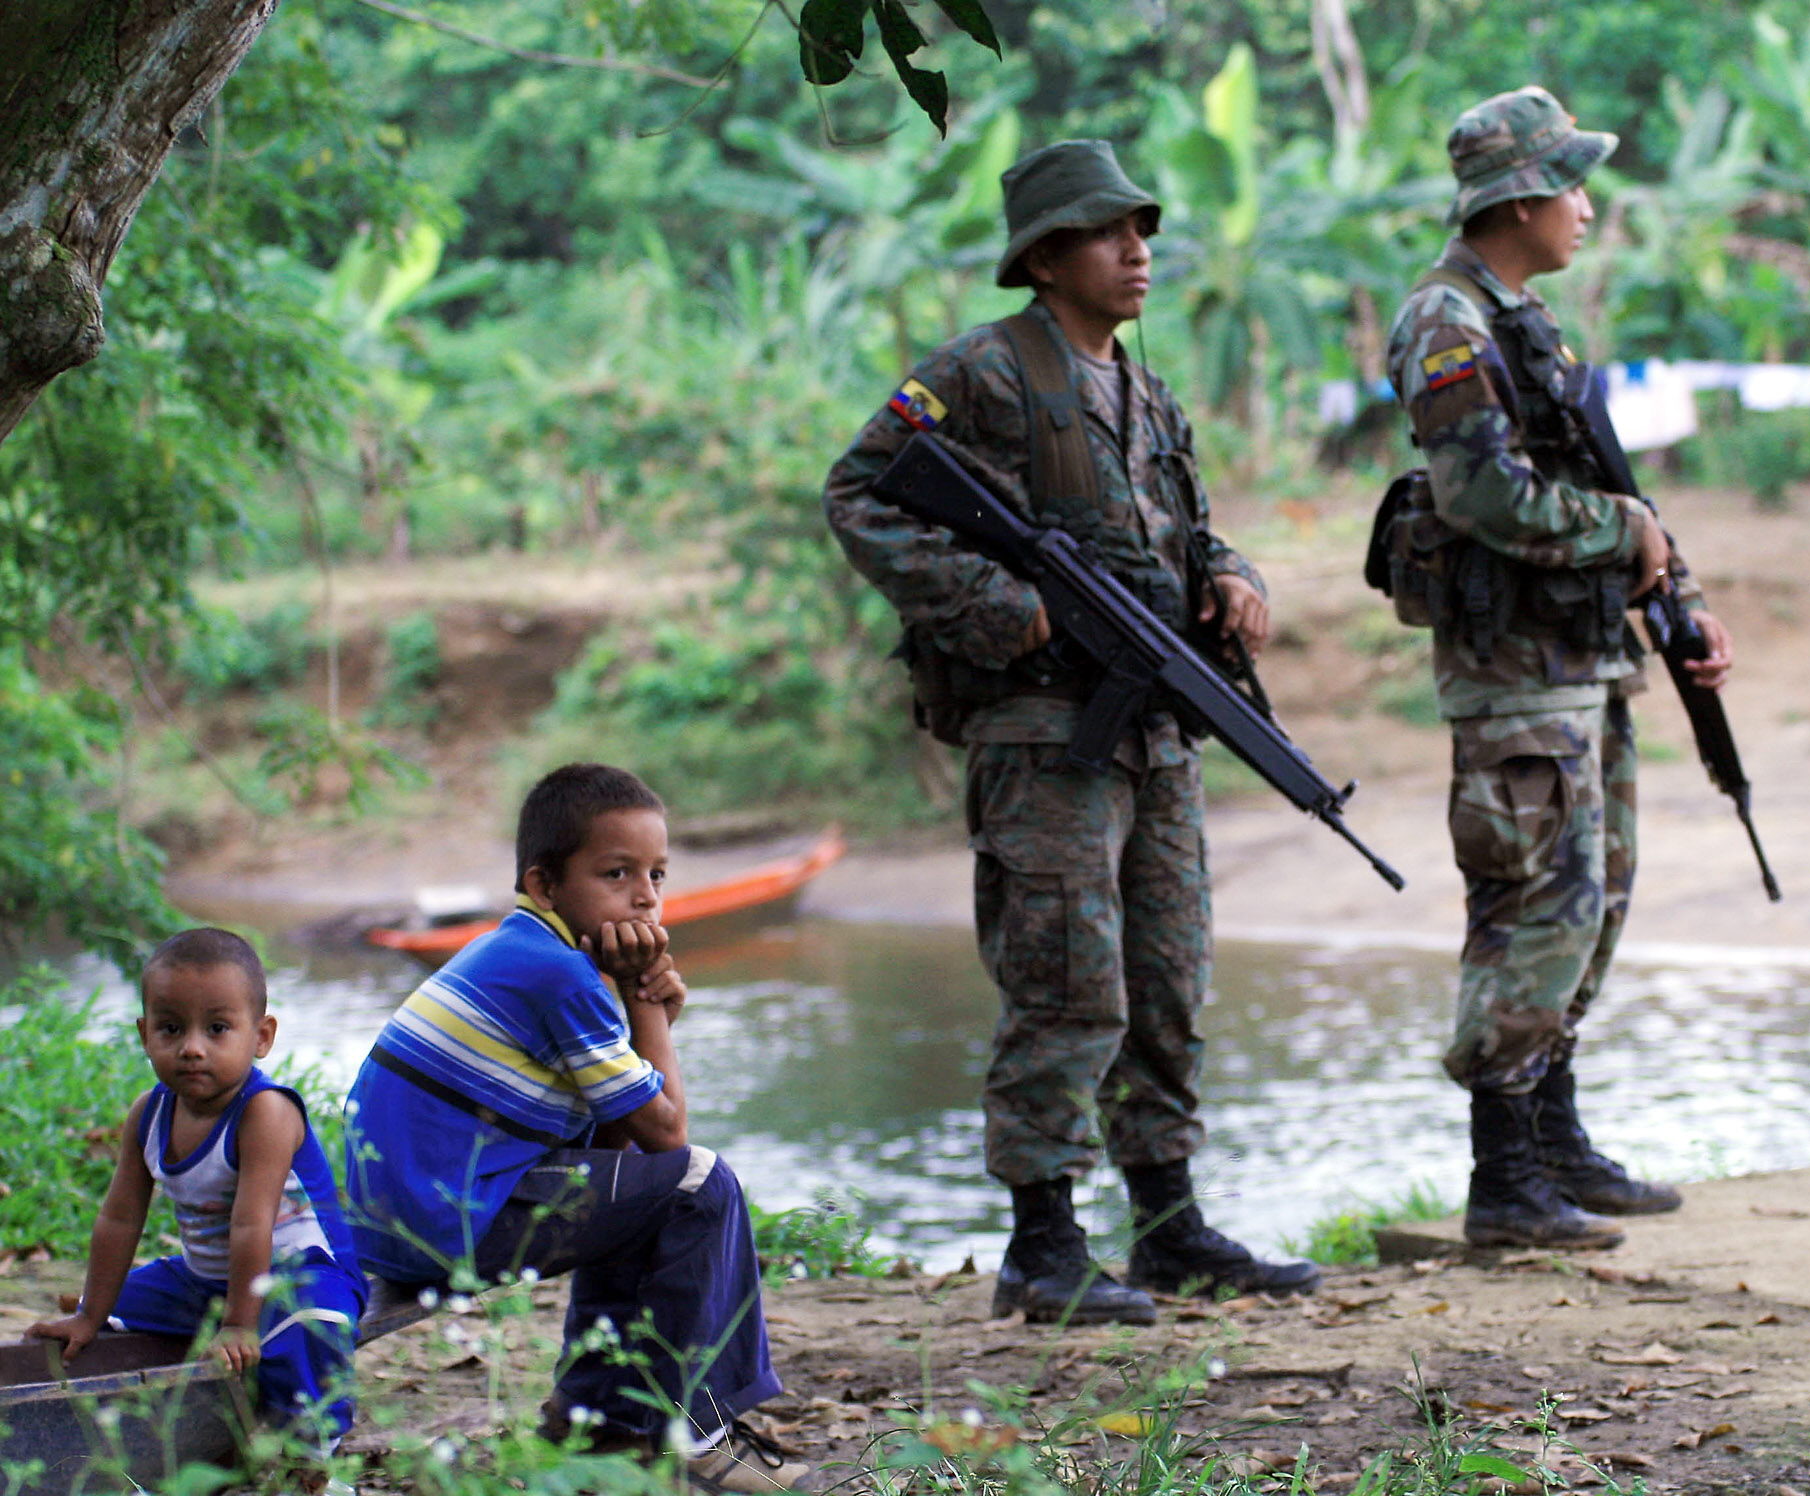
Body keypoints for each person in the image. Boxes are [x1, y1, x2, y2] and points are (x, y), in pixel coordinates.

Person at [824, 139, 1319, 1325]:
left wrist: (1234, 577)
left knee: (1167, 977)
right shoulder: (987, 374)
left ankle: (1167, 1222)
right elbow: (858, 492)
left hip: (1152, 731)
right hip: (1047, 735)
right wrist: (1000, 606)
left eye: (1141, 229)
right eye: (1109, 233)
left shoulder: (1147, 393)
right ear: (1046, 257)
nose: (1136, 251)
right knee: (1064, 979)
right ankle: (1042, 1240)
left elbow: (1185, 538)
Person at [1384, 88, 1736, 1251]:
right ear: (1521, 200)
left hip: (1581, 661)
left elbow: (1595, 472)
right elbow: (1480, 495)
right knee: (1534, 907)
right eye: (1573, 187)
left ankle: (1556, 1136)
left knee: (1591, 902)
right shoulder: (1449, 324)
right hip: (1514, 677)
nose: (1586, 207)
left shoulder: (1521, 318)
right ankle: (1505, 1173)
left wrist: (1670, 587)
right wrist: (1619, 530)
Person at [343, 763, 797, 1492]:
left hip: (406, 1219)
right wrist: (645, 1004)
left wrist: (646, 1016)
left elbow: (617, 1147)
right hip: (444, 1225)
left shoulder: (524, 951)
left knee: (644, 1197)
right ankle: (698, 1431)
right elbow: (668, 1140)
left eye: (657, 874)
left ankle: (591, 1416)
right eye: (616, 873)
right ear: (546, 884)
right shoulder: (560, 975)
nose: (645, 896)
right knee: (701, 1185)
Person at [30, 928, 365, 1478]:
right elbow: (119, 1216)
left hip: (297, 1272)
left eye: (216, 1028)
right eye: (170, 1028)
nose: (191, 1046)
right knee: (102, 1323)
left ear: (261, 1036)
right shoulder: (149, 1114)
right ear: (144, 1034)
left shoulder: (266, 1113)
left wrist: (239, 1322)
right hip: (203, 1277)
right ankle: (170, 1426)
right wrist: (91, 1314)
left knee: (313, 1325)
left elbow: (251, 1222)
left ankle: (311, 1461)